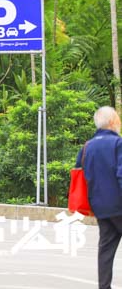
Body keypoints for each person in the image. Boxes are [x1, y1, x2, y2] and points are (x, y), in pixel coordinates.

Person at [77, 106, 122, 289]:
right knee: (105, 246)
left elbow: (79, 172)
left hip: (99, 207)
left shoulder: (88, 146)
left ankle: (104, 287)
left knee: (105, 248)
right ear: (112, 122)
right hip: (119, 205)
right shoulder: (118, 144)